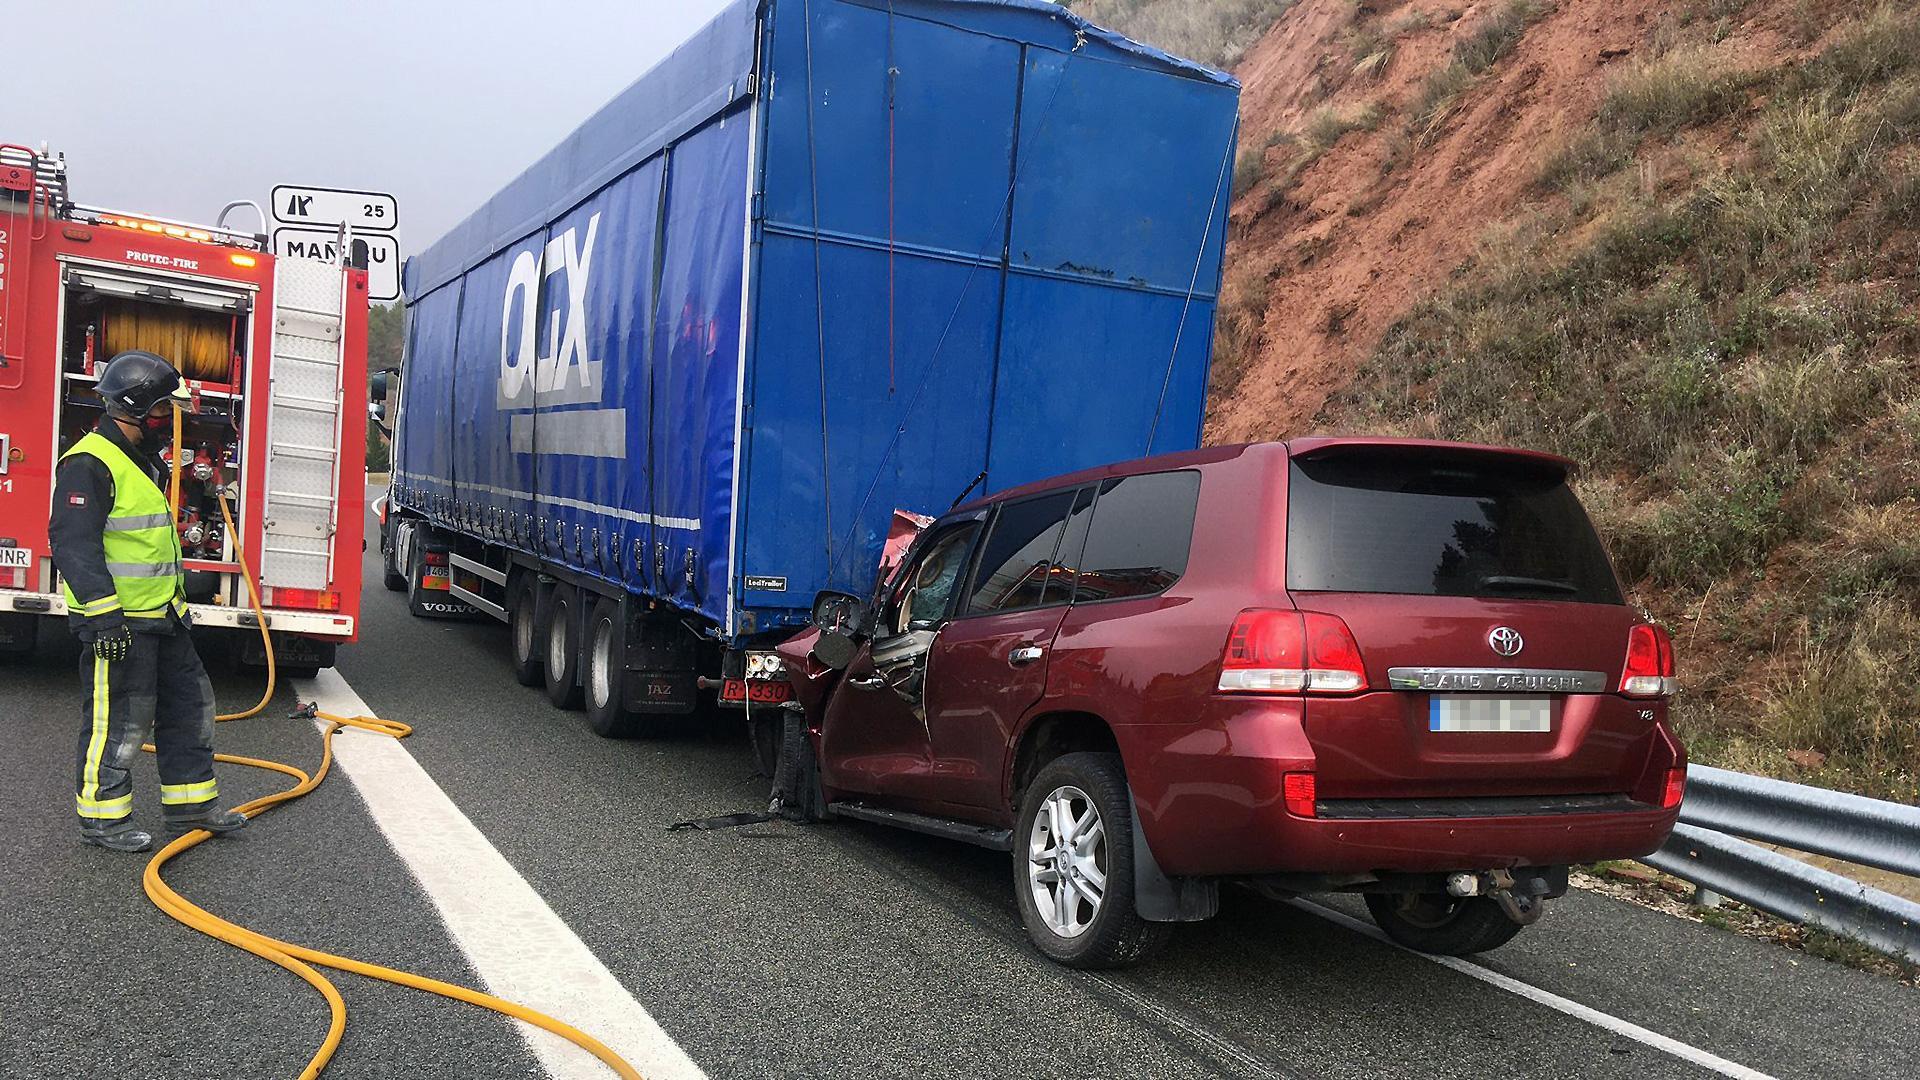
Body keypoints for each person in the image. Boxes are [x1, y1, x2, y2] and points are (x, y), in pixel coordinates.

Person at [48, 350, 248, 853]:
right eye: (163, 409)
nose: (169, 420)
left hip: (163, 618)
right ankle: (103, 819)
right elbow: (74, 546)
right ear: (137, 408)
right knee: (118, 722)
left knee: (190, 709)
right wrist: (104, 619)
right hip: (121, 623)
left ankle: (191, 807)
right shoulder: (89, 464)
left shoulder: (140, 459)